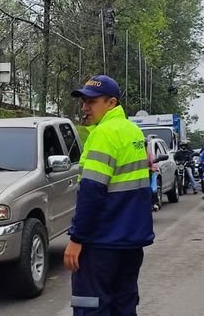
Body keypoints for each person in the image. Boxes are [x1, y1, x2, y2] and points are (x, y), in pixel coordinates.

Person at [64, 75, 154, 315]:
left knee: (90, 307)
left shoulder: (104, 134)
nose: (84, 108)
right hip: (130, 242)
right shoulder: (133, 132)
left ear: (111, 103)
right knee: (123, 307)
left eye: (91, 102)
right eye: (83, 101)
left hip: (101, 243)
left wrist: (76, 238)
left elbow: (92, 191)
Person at [146, 138, 162, 211]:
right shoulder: (133, 154)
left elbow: (154, 162)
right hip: (136, 177)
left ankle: (154, 203)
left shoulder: (149, 154)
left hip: (149, 174)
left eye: (145, 145)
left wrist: (152, 168)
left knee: (152, 189)